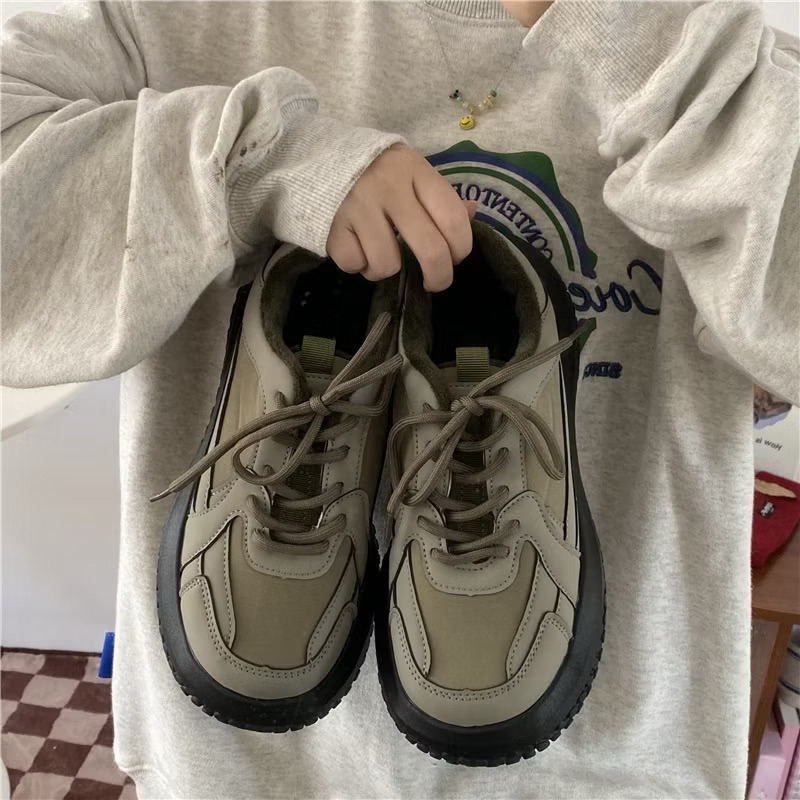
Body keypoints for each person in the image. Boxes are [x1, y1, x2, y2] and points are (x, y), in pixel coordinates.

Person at [1, 0, 798, 796]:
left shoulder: (713, 43)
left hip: (612, 770)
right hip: (241, 771)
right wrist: (255, 162)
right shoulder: (178, 16)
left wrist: (638, 42)